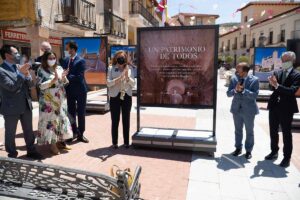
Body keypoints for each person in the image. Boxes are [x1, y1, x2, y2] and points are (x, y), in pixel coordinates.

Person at [0, 45, 43, 159]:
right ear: (7, 55)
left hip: (25, 105)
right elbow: (11, 87)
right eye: (15, 53)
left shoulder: (19, 66)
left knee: (29, 130)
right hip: (11, 107)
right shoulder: (1, 70)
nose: (18, 55)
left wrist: (28, 76)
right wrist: (21, 73)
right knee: (10, 133)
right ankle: (12, 155)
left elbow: (30, 85)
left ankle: (31, 150)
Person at [266, 51, 300, 167]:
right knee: (273, 131)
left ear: (293, 61)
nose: (284, 62)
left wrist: (277, 85)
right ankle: (274, 151)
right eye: (283, 60)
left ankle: (287, 158)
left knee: (286, 133)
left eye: (287, 60)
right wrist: (271, 83)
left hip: (287, 108)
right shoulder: (278, 72)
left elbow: (292, 91)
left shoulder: (297, 75)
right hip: (274, 106)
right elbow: (272, 88)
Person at [36, 51, 73, 155]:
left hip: (60, 98)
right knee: (51, 122)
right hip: (48, 100)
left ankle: (61, 142)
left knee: (61, 119)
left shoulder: (59, 68)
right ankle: (52, 144)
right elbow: (40, 85)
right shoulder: (41, 70)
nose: (52, 60)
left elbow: (65, 83)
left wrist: (64, 77)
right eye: (50, 58)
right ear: (45, 59)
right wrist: (53, 81)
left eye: (54, 58)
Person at [227, 62, 259, 159]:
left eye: (238, 69)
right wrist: (235, 90)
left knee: (249, 131)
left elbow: (255, 95)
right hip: (236, 109)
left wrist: (244, 91)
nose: (236, 70)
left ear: (245, 71)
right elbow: (228, 93)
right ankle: (238, 148)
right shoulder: (234, 79)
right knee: (238, 130)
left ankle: (248, 151)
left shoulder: (254, 80)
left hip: (249, 110)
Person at [107, 51, 135, 149]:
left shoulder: (130, 69)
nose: (120, 59)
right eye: (119, 57)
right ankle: (114, 142)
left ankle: (126, 142)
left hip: (126, 96)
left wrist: (127, 77)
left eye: (122, 57)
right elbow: (108, 83)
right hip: (115, 96)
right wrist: (119, 78)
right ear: (116, 58)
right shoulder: (111, 68)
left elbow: (133, 84)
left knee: (126, 119)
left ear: (125, 58)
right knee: (115, 120)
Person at [62, 40, 89, 143]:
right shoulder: (65, 60)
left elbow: (79, 76)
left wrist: (67, 75)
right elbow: (62, 72)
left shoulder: (81, 61)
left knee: (81, 113)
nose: (66, 50)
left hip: (80, 91)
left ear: (72, 49)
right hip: (69, 91)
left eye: (67, 48)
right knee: (71, 113)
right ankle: (73, 132)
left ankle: (81, 134)